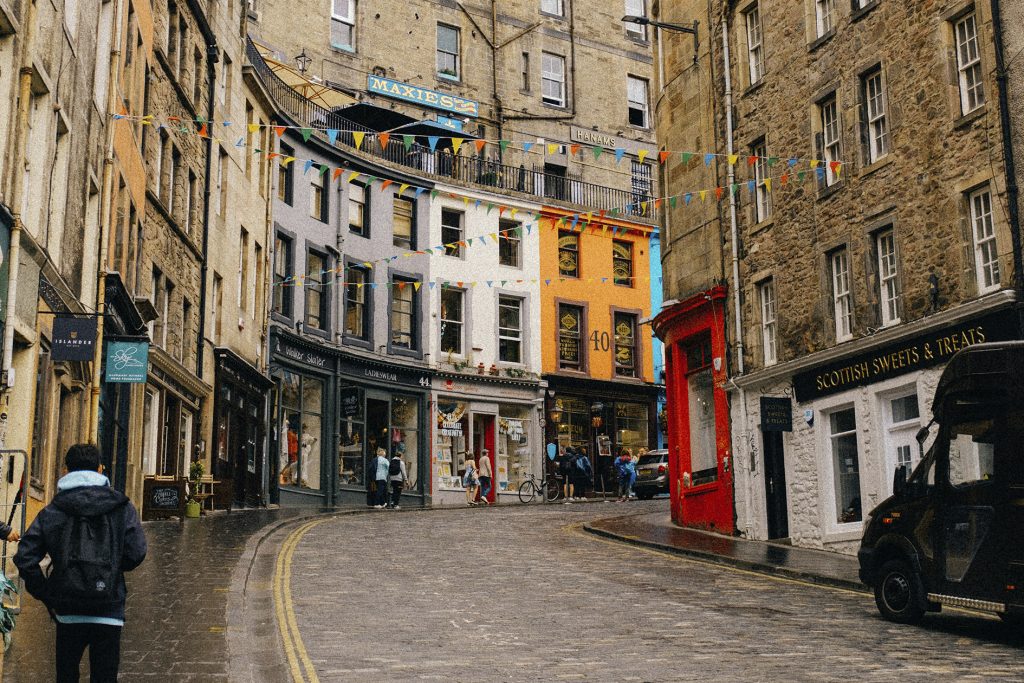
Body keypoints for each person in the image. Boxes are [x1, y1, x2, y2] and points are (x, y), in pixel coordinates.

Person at [14, 444, 147, 683]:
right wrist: (111, 569)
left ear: (65, 470)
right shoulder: (122, 507)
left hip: (68, 609)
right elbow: (137, 552)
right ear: (100, 469)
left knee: (66, 675)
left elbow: (25, 557)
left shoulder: (53, 510)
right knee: (105, 677)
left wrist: (48, 594)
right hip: (109, 607)